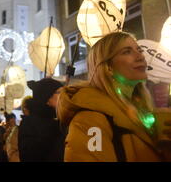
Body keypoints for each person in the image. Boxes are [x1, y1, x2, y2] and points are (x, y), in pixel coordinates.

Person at [57, 32, 171, 162]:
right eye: (127, 52)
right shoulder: (90, 119)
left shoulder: (143, 114)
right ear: (108, 67)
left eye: (139, 49)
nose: (140, 56)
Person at [18, 78, 65, 162]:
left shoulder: (59, 120)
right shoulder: (29, 124)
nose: (63, 96)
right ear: (46, 98)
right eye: (59, 93)